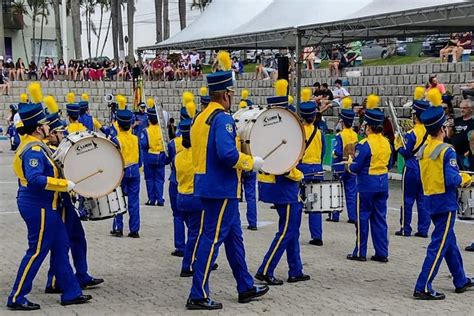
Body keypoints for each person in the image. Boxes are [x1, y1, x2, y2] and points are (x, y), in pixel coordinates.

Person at [187, 51, 269, 310]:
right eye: (231, 93)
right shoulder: (222, 119)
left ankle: (244, 285)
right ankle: (197, 294)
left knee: (235, 238)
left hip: (208, 184)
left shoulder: (201, 118)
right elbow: (226, 153)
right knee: (211, 239)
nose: (232, 97)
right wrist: (249, 162)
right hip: (221, 188)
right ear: (225, 94)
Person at [7, 83, 91, 311]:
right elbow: (35, 179)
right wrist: (64, 184)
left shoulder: (37, 144)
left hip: (47, 205)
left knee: (61, 244)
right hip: (38, 205)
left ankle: (71, 292)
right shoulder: (32, 150)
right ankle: (16, 296)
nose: (48, 128)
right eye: (45, 124)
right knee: (36, 252)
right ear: (37, 128)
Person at [413, 89, 474, 300]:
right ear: (442, 128)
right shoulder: (446, 150)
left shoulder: (424, 149)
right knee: (438, 245)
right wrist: (466, 178)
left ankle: (460, 279)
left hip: (430, 198)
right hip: (444, 201)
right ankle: (423, 286)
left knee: (449, 241)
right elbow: (452, 179)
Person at [42, 95, 104, 294]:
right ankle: (54, 281)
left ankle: (82, 274)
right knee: (61, 242)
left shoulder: (59, 148)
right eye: (60, 131)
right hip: (57, 203)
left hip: (66, 202)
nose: (64, 134)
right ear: (52, 133)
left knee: (77, 237)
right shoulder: (50, 152)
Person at [255, 92, 310, 286]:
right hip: (285, 189)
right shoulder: (281, 131)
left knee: (291, 230)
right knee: (287, 231)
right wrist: (299, 176)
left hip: (274, 187)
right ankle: (265, 269)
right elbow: (284, 166)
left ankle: (295, 270)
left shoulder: (265, 130)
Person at [346, 94, 392, 262]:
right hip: (383, 183)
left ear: (368, 126)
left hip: (366, 185)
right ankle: (382, 252)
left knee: (362, 217)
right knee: (380, 218)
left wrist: (349, 164)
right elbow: (391, 162)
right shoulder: (387, 142)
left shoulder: (364, 144)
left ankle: (360, 251)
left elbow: (356, 167)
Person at [394, 87, 430, 238]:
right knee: (422, 200)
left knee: (407, 199)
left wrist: (398, 145)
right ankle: (423, 229)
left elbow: (406, 152)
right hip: (425, 167)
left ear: (416, 116)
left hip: (412, 167)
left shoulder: (412, 133)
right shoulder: (430, 131)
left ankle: (405, 228)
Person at [297, 88, 325, 246]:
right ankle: (317, 235)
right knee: (314, 204)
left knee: (298, 202)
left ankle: (294, 231)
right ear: (314, 117)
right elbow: (323, 152)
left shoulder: (298, 131)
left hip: (303, 169)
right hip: (317, 169)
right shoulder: (319, 132)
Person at [110, 95, 142, 238]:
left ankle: (118, 228)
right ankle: (134, 229)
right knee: (134, 201)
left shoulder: (116, 139)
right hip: (134, 170)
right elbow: (140, 156)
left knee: (118, 199)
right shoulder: (135, 138)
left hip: (121, 171)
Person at [328, 97, 358, 223]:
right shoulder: (355, 134)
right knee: (351, 192)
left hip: (340, 166)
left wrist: (333, 153)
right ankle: (352, 216)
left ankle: (335, 215)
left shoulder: (340, 135)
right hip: (351, 165)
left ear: (343, 121)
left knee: (336, 190)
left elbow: (338, 151)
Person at [165, 119, 185, 257]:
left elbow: (166, 160)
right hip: (192, 182)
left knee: (177, 216)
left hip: (175, 180)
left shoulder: (173, 143)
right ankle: (195, 247)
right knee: (195, 221)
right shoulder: (199, 142)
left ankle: (180, 246)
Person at [140, 98, 166, 206]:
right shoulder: (162, 130)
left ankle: (151, 199)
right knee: (160, 179)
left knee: (150, 179)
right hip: (160, 156)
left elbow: (144, 144)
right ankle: (160, 199)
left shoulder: (145, 131)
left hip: (149, 156)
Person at [239, 89, 258, 230]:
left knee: (235, 196)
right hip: (251, 162)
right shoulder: (255, 128)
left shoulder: (236, 129)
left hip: (240, 164)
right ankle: (253, 222)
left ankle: (236, 223)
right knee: (251, 196)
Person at [448, 99, 474, 170]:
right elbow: (449, 136)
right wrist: (449, 128)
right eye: (461, 108)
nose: (462, 110)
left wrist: (470, 151)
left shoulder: (472, 122)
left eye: (464, 108)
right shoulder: (457, 120)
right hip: (454, 153)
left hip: (466, 155)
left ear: (471, 109)